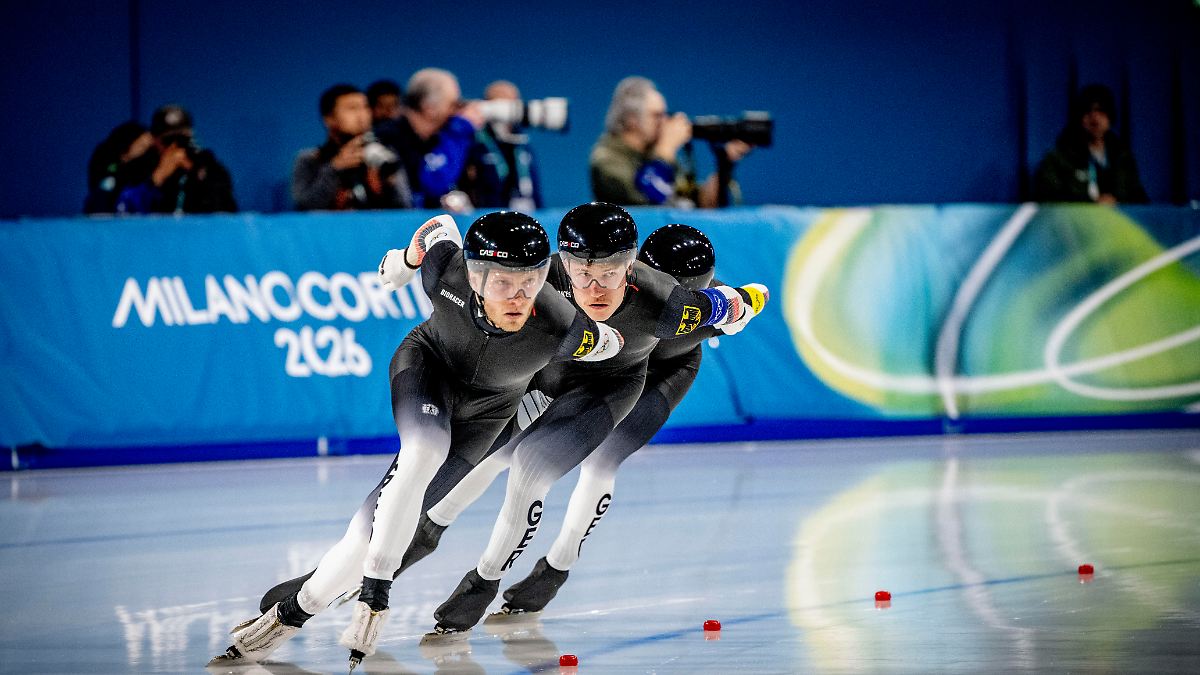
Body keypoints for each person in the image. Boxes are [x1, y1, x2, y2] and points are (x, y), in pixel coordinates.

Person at [209, 211, 624, 669]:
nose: (519, 295)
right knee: (422, 451)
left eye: (531, 280)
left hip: (489, 413)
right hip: (427, 369)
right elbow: (439, 227)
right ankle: (376, 594)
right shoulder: (446, 272)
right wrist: (406, 261)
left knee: (377, 522)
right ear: (475, 274)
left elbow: (610, 348)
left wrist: (547, 391)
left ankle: (289, 616)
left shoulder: (565, 327)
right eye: (504, 282)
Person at [413, 203, 768, 642]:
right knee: (499, 445)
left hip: (648, 376)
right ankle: (429, 527)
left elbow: (749, 299)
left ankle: (556, 565)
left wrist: (743, 304)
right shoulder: (594, 274)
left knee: (597, 463)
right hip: (578, 366)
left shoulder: (683, 311)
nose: (605, 287)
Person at [589, 76, 752, 208]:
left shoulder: (656, 154)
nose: (665, 122)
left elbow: (695, 204)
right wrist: (666, 149)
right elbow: (645, 200)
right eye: (657, 115)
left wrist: (726, 162)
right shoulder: (607, 158)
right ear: (632, 120)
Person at [375, 67, 484, 210]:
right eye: (453, 104)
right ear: (429, 108)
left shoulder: (438, 139)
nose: (456, 111)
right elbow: (432, 185)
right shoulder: (387, 139)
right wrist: (459, 135)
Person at [292, 84, 411, 210]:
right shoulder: (311, 159)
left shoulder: (383, 157)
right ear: (329, 119)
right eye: (352, 108)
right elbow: (303, 208)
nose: (362, 116)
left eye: (365, 107)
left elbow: (404, 208)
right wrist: (335, 168)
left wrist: (388, 185)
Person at [1032, 83, 1149, 204]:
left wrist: (1117, 201)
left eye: (1101, 111)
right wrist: (1091, 204)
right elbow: (1047, 200)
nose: (1095, 118)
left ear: (1110, 117)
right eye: (1088, 111)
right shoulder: (1058, 158)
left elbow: (1139, 199)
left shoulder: (1123, 157)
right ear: (1079, 117)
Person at [115, 104, 238, 214]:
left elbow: (224, 215)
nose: (175, 146)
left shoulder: (210, 168)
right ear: (155, 141)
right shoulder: (141, 169)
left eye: (181, 139)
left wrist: (196, 175)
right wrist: (156, 180)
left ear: (191, 136)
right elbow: (123, 212)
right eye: (167, 141)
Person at [459, 80, 543, 211]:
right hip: (487, 217)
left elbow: (534, 188)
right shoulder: (475, 142)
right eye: (500, 104)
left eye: (512, 102)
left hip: (525, 214)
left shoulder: (522, 142)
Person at [83, 121, 155, 214]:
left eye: (148, 147)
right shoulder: (105, 159)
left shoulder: (146, 165)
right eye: (142, 145)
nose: (145, 150)